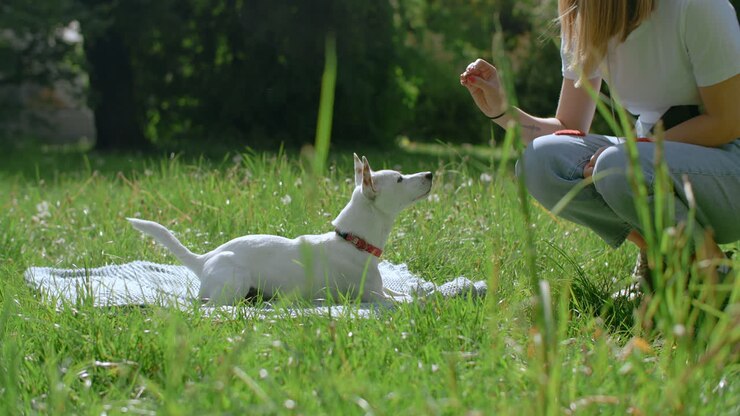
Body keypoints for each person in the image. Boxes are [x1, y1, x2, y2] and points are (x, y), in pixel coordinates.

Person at [460, 0, 740, 289]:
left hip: (730, 170)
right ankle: (661, 264)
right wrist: (503, 111)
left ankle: (714, 278)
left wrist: (632, 151)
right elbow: (568, 127)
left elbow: (727, 121)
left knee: (618, 165)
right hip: (657, 160)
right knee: (541, 162)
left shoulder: (695, 7)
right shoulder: (582, 15)